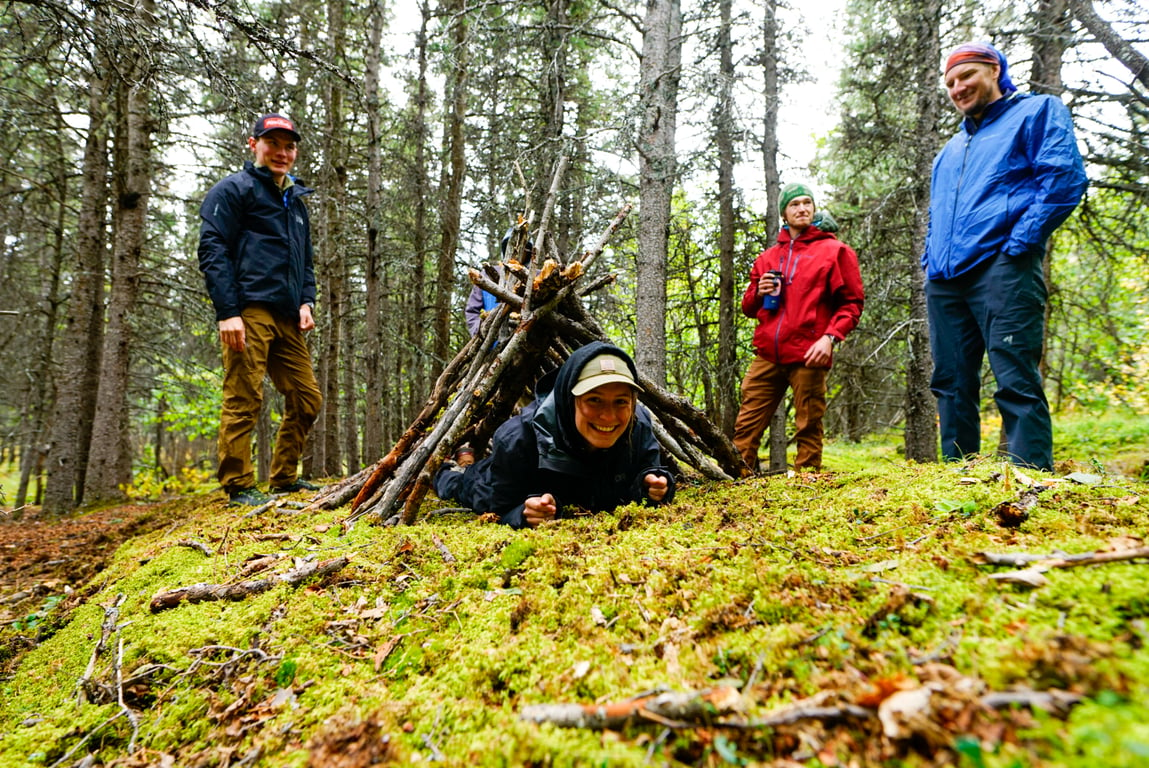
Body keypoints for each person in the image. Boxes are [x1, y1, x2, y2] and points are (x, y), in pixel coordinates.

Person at [924, 42, 1087, 471]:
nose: (958, 87)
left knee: (1014, 376)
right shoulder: (949, 151)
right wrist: (930, 259)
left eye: (967, 76)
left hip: (1002, 267)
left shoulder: (1036, 112)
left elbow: (1065, 181)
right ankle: (957, 478)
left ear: (994, 70)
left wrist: (1018, 244)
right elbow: (936, 212)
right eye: (951, 82)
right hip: (944, 279)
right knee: (951, 384)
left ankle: (1029, 480)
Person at [198, 114, 323, 505]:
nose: (282, 153)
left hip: (288, 316)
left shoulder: (296, 202)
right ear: (254, 145)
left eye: (288, 146)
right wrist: (227, 311)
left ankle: (285, 477)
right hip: (248, 310)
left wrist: (307, 300)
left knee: (307, 399)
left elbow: (305, 260)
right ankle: (238, 485)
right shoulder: (233, 190)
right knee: (244, 396)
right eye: (273, 144)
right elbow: (212, 250)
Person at [433, 341, 675, 528]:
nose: (609, 416)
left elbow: (647, 473)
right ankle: (451, 468)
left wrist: (653, 486)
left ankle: (466, 458)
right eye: (594, 400)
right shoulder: (519, 438)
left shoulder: (638, 424)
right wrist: (522, 513)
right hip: (497, 478)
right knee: (466, 485)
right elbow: (501, 506)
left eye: (620, 401)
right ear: (570, 400)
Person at [732, 183, 864, 472]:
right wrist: (759, 291)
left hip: (809, 352)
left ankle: (806, 484)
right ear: (784, 213)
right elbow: (748, 308)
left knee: (809, 424)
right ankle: (735, 481)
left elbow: (852, 304)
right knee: (746, 425)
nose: (802, 208)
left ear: (814, 209)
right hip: (768, 353)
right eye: (794, 204)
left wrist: (830, 338)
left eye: (807, 203)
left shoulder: (835, 252)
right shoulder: (767, 258)